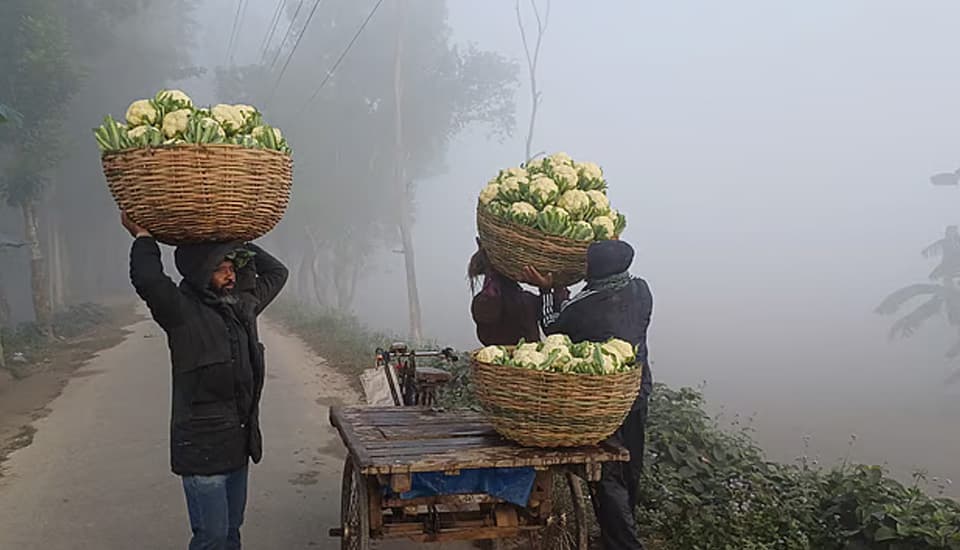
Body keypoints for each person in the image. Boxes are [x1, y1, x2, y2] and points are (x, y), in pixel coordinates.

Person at [121, 212, 288, 550]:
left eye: (232, 268)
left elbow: (277, 272)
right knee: (211, 537)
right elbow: (149, 280)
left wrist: (239, 241)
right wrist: (143, 238)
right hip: (202, 450)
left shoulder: (243, 306)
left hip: (239, 444)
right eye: (220, 269)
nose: (230, 275)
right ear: (199, 274)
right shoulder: (180, 312)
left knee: (231, 532)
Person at [523, 239, 653, 550]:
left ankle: (624, 544)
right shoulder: (641, 290)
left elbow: (553, 327)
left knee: (608, 471)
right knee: (630, 464)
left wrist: (546, 291)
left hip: (602, 399)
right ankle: (614, 536)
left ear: (592, 269)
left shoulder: (583, 306)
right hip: (635, 389)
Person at [468, 238, 540, 345]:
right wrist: (546, 289)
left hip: (496, 359)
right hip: (517, 358)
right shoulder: (526, 301)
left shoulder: (480, 302)